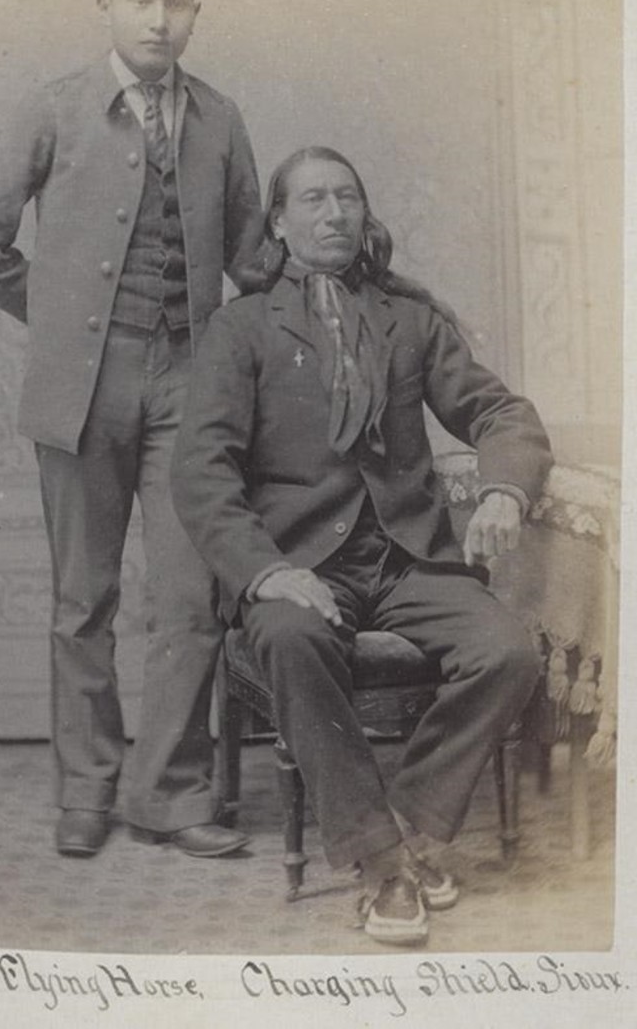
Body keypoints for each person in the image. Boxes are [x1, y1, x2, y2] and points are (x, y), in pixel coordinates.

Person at [171, 146, 553, 944]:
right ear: (278, 222)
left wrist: (503, 489)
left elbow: (500, 414)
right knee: (289, 635)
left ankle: (410, 829)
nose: (334, 214)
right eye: (311, 200)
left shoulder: (407, 320)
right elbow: (202, 473)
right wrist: (266, 572)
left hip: (406, 558)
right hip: (298, 565)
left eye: (346, 198)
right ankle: (382, 867)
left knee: (507, 652)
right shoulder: (239, 330)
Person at [0, 0, 263, 859]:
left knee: (187, 598)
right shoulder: (55, 108)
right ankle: (85, 789)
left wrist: (328, 269)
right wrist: (52, 313)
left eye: (177, 2)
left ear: (197, 14)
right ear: (107, 6)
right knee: (82, 600)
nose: (159, 19)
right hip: (79, 388)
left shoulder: (221, 118)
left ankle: (169, 791)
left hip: (189, 389)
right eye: (141, 0)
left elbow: (249, 258)